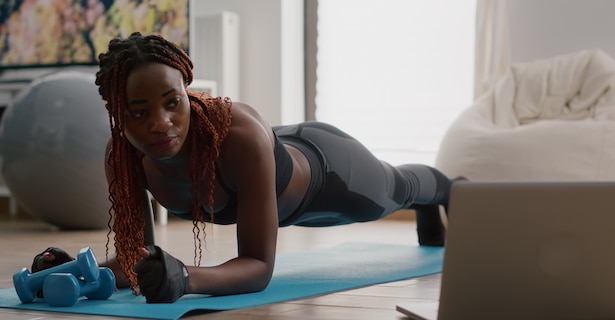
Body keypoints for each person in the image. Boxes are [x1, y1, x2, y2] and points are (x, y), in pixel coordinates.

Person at [89, 32, 453, 303]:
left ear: (187, 92)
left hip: (331, 171)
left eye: (173, 103)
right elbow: (133, 259)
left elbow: (258, 267)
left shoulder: (239, 136)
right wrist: (76, 273)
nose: (161, 123)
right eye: (139, 113)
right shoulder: (122, 158)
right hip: (276, 155)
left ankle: (450, 189)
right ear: (117, 114)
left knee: (397, 189)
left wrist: (185, 277)